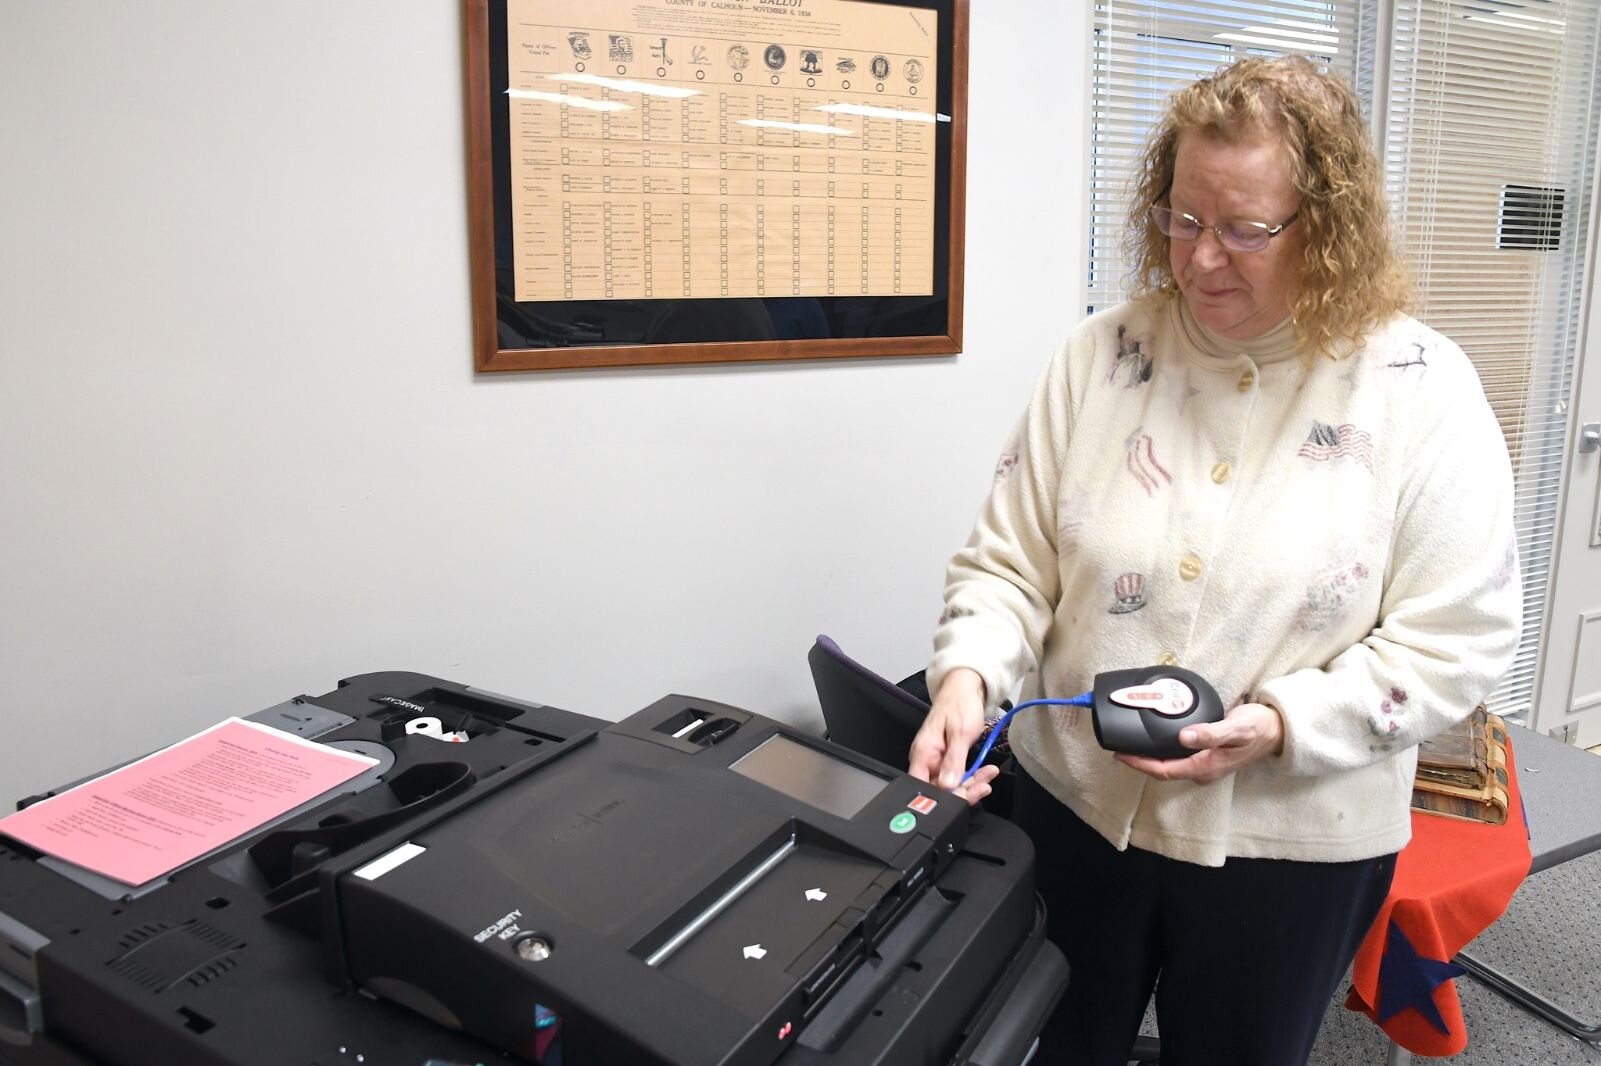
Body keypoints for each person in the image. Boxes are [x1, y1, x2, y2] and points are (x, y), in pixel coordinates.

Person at [908, 54, 1522, 1066]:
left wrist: (1285, 721)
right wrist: (966, 677)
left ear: (1325, 227)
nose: (1199, 261)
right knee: (1048, 1044)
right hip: (1073, 807)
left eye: (1244, 229)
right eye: (1183, 219)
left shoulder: (1420, 387)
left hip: (1287, 845)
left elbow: (1454, 637)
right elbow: (1006, 565)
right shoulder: (1100, 356)